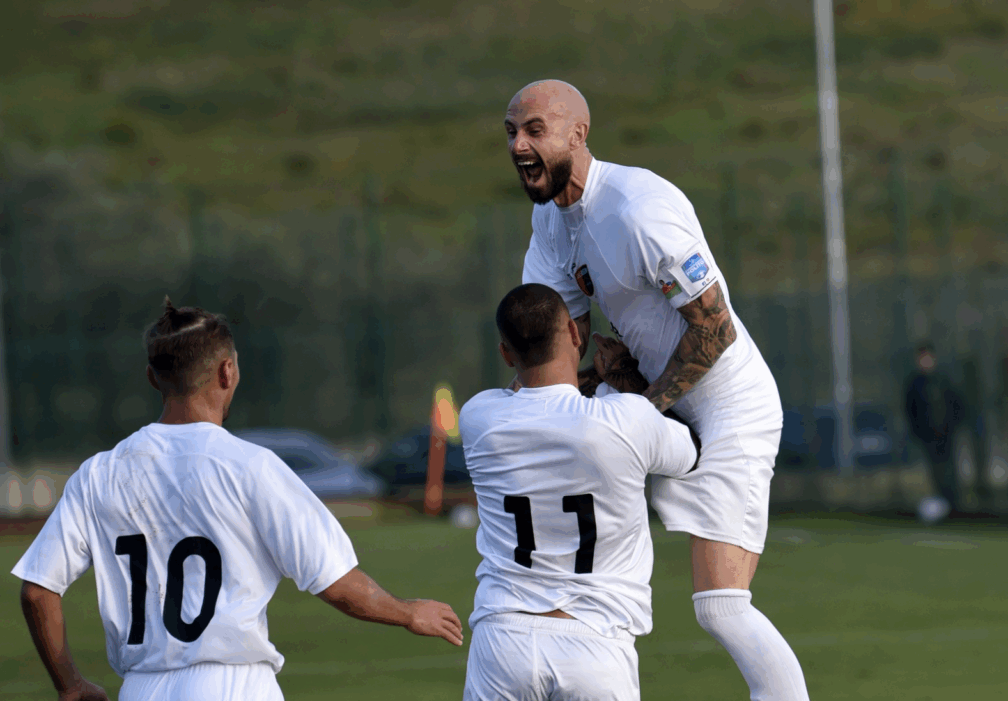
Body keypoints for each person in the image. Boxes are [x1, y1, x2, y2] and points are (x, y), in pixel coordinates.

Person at [504, 79, 809, 700]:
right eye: (510, 132)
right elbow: (561, 344)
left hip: (729, 410)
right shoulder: (550, 222)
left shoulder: (638, 207)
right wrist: (535, 405)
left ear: (577, 135)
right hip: (666, 407)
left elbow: (715, 330)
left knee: (721, 605)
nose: (518, 145)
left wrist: (638, 410)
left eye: (534, 129)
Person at [12, 298, 462, 701]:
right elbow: (336, 584)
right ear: (228, 371)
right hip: (234, 685)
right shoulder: (252, 466)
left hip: (141, 687)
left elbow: (37, 590)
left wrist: (70, 684)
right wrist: (408, 613)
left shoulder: (98, 473)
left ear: (152, 377)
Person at [460, 283, 699, 700]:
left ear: (504, 354)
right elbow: (689, 450)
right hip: (595, 641)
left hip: (503, 638)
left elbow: (532, 398)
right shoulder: (624, 420)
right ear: (575, 333)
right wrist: (620, 379)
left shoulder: (479, 418)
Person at [904, 343, 966, 522]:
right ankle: (943, 507)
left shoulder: (944, 380)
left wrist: (953, 426)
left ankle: (954, 507)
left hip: (946, 435)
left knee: (950, 471)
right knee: (937, 472)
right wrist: (919, 431)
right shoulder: (915, 384)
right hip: (928, 436)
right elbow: (911, 410)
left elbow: (957, 405)